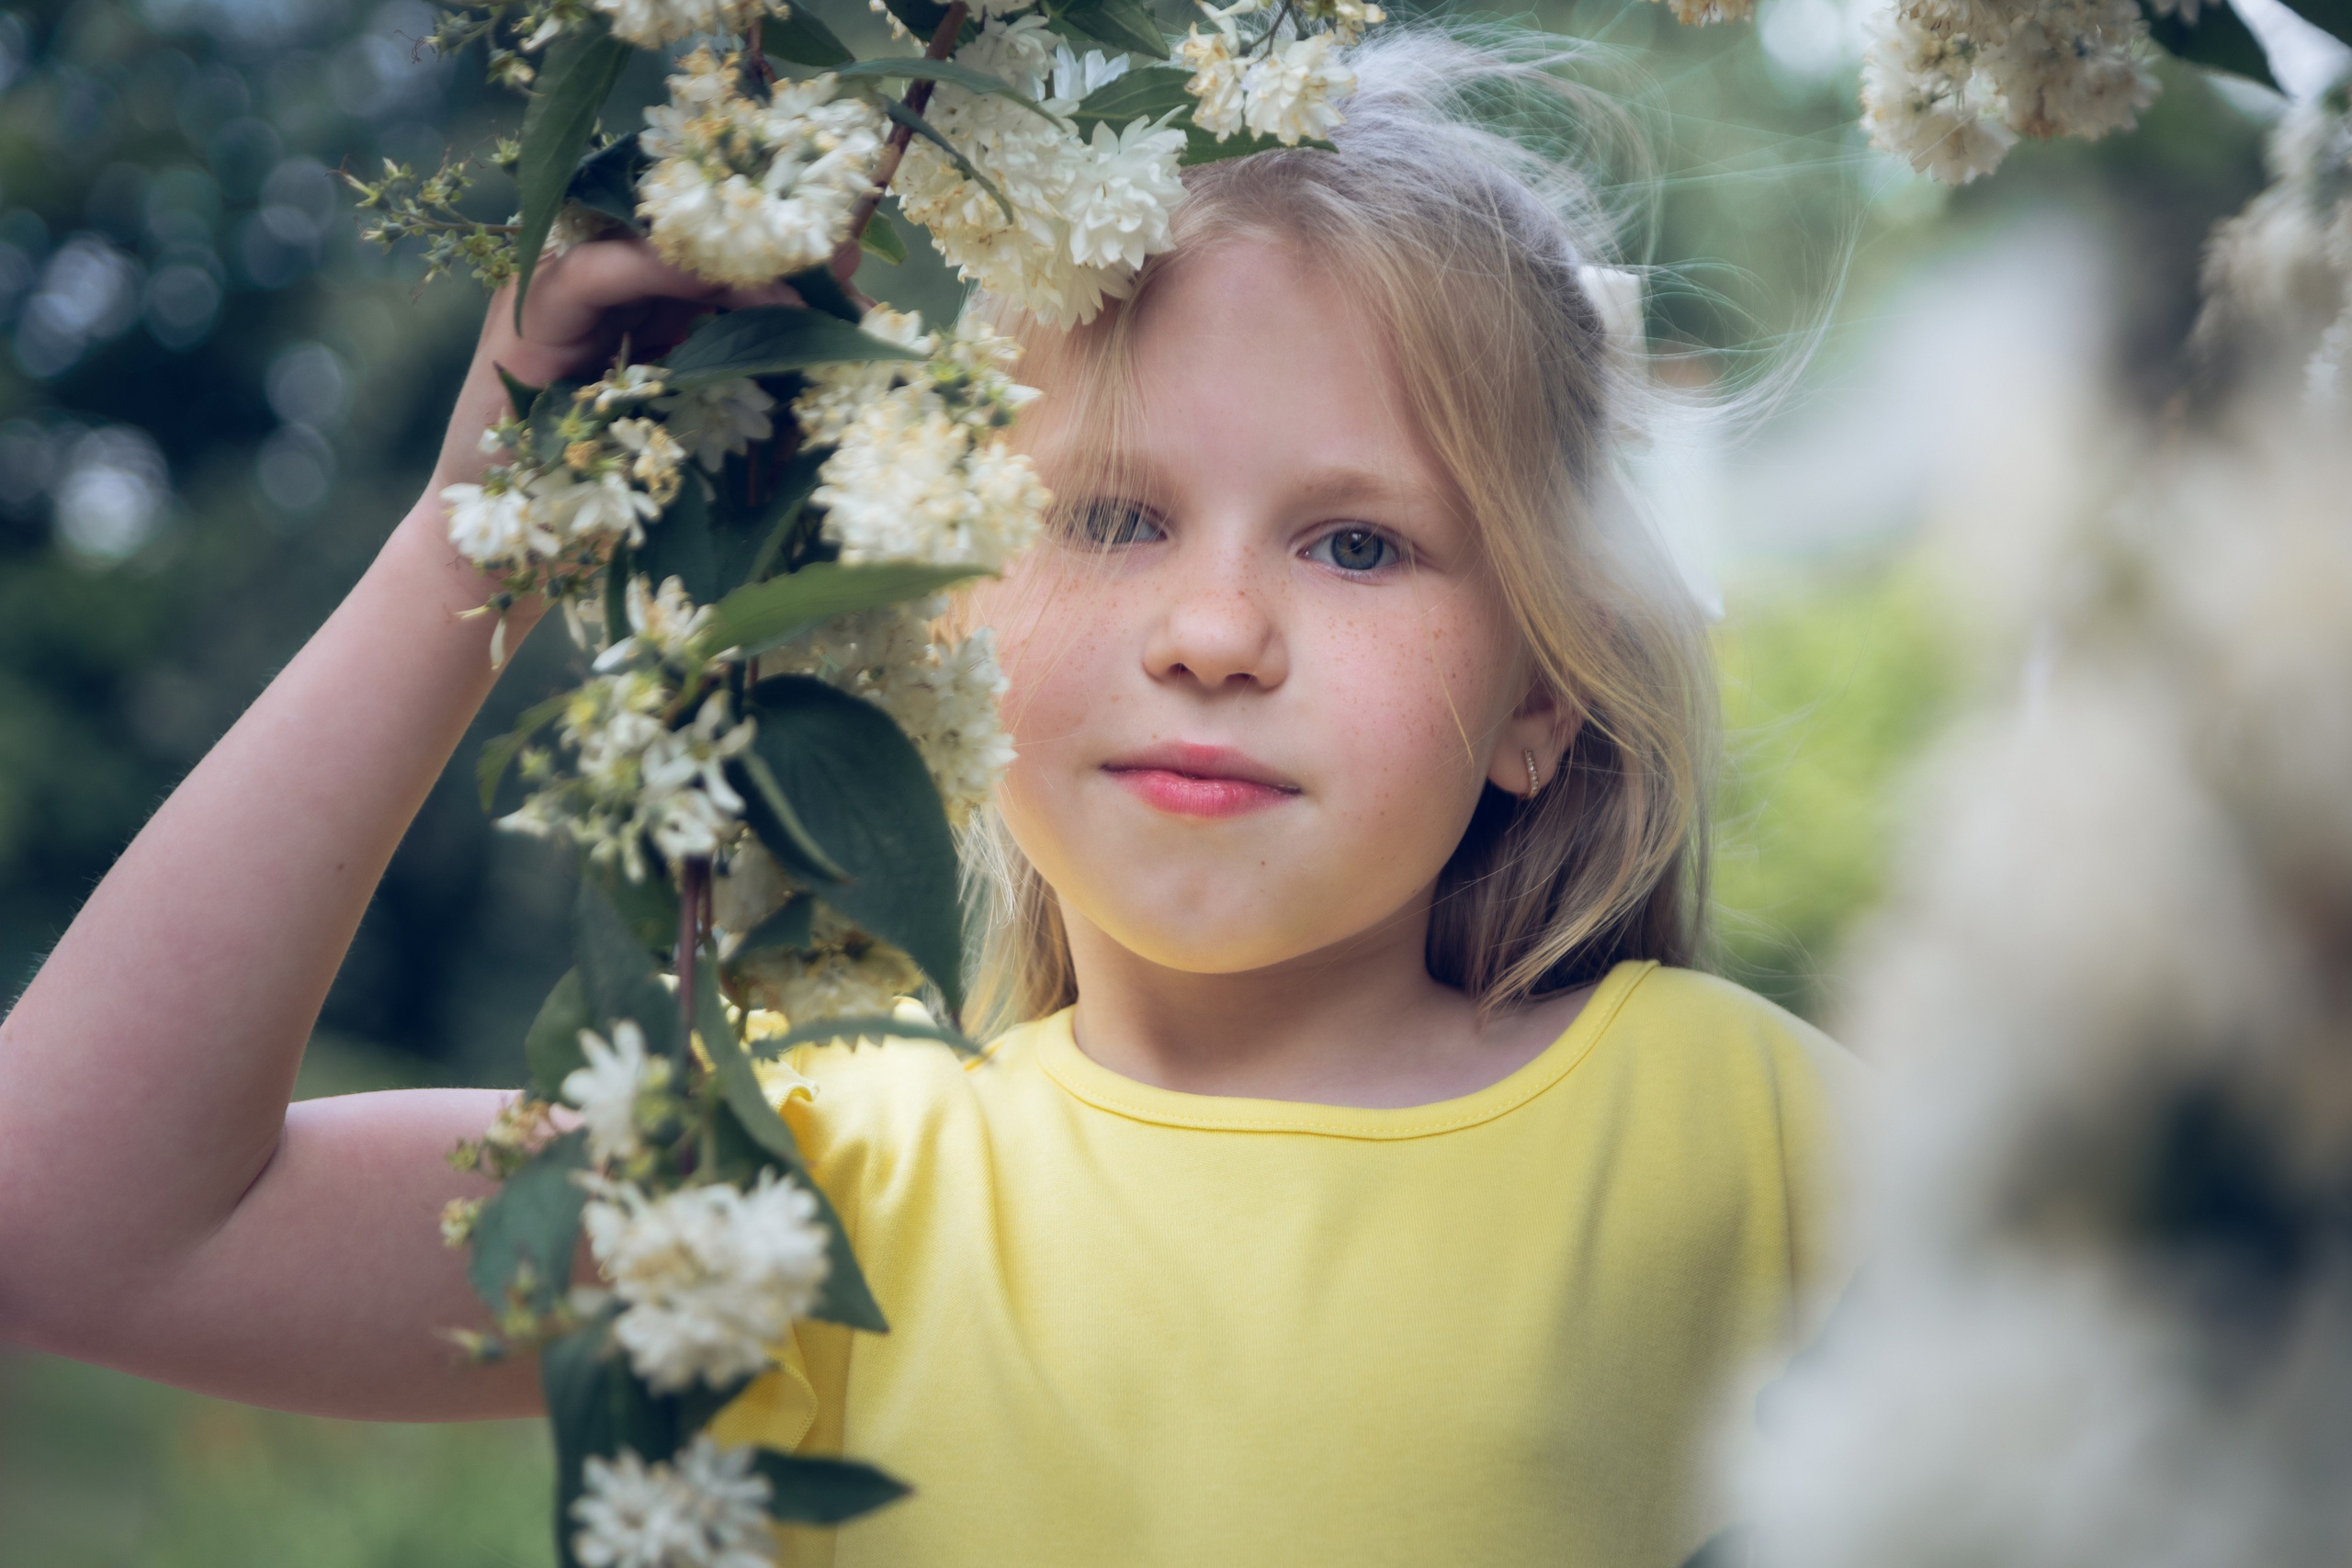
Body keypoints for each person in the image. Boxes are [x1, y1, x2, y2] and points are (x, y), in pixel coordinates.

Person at [0, 30, 1854, 1568]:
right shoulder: (799, 1200)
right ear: (950, 604)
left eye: (1356, 541)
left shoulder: (1747, 1128)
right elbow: (77, 1216)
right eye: (1111, 517)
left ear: (1540, 693)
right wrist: (469, 546)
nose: (1212, 630)